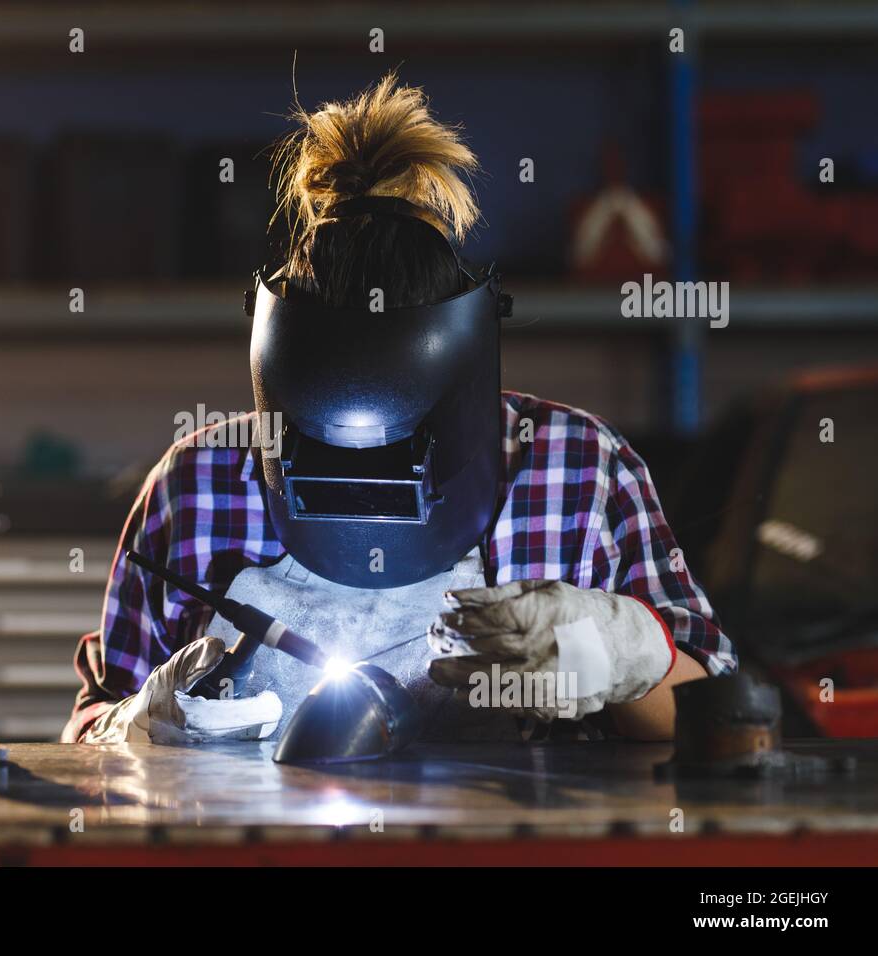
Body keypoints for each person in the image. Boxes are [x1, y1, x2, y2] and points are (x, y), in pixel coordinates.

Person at [63, 73, 736, 747]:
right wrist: (142, 721)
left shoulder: (578, 469)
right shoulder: (200, 480)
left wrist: (625, 657)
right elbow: (85, 738)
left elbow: (726, 723)